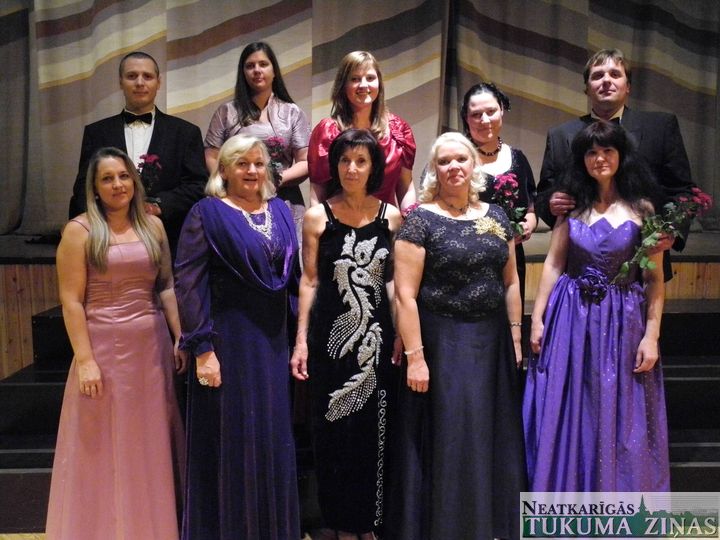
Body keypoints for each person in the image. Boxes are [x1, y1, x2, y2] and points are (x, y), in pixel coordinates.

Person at [387, 132, 526, 539]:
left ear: (473, 165)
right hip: (442, 344)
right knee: (451, 435)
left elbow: (511, 282)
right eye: (444, 161)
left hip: (492, 342)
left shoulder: (497, 216)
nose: (453, 167)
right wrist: (416, 357)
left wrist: (516, 337)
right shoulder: (420, 220)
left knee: (488, 433)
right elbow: (406, 296)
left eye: (460, 159)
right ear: (434, 169)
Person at [47, 147, 186, 539]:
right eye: (107, 179)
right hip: (103, 348)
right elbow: (72, 301)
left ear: (134, 181)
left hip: (150, 347)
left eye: (123, 176)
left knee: (149, 440)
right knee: (104, 442)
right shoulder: (79, 232)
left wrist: (180, 336)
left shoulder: (153, 226)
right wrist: (85, 360)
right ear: (94, 188)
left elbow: (166, 287)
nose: (117, 185)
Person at [523, 120, 669, 491]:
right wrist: (537, 318)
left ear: (621, 156)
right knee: (573, 406)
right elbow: (554, 264)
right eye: (591, 152)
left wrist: (651, 336)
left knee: (621, 407)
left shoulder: (643, 209)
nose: (599, 158)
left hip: (624, 321)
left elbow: (653, 279)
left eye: (607, 150)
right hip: (570, 318)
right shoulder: (571, 208)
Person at [174, 135, 301, 539]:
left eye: (259, 163)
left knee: (271, 438)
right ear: (224, 170)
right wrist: (202, 349)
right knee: (233, 439)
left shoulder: (280, 211)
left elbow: (293, 281)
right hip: (227, 343)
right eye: (242, 163)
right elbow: (188, 283)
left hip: (273, 343)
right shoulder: (206, 213)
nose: (251, 171)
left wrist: (300, 338)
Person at [291, 129, 403, 539]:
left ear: (374, 167)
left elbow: (393, 283)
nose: (351, 169)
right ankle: (338, 525)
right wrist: (301, 340)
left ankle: (369, 524)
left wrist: (401, 334)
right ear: (334, 165)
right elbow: (309, 280)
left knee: (375, 432)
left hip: (378, 338)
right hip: (330, 337)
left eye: (361, 161)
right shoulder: (317, 217)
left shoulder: (391, 216)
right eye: (344, 160)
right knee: (333, 432)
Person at [537, 48, 695, 280]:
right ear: (587, 88)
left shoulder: (661, 127)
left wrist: (672, 230)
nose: (606, 80)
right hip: (578, 268)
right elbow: (543, 194)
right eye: (597, 75)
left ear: (628, 86)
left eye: (615, 74)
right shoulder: (560, 135)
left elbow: (683, 190)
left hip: (646, 263)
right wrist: (551, 204)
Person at [69, 51, 207, 254]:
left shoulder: (186, 133)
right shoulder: (96, 132)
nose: (140, 82)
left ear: (158, 82)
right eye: (132, 76)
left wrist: (158, 205)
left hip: (168, 241)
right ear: (120, 82)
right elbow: (84, 187)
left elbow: (198, 186)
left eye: (147, 76)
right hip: (107, 242)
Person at [204, 41, 310, 241]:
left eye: (263, 64)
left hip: (284, 199)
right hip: (235, 200)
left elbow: (306, 161)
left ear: (274, 70)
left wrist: (275, 179)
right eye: (250, 66)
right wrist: (227, 184)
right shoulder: (227, 112)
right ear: (243, 72)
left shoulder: (292, 112)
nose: (257, 70)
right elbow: (211, 155)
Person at [308, 51, 416, 211]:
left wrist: (409, 220)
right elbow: (317, 192)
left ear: (379, 83)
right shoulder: (327, 132)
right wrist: (320, 224)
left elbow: (406, 188)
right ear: (343, 85)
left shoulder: (399, 130)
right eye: (355, 79)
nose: (364, 85)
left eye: (370, 78)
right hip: (338, 222)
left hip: (387, 222)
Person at [461, 81, 537, 302]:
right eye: (476, 115)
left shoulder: (518, 158)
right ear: (466, 118)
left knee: (510, 318)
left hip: (511, 258)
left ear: (502, 110)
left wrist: (528, 225)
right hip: (466, 258)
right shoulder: (456, 159)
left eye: (491, 111)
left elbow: (531, 208)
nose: (485, 120)